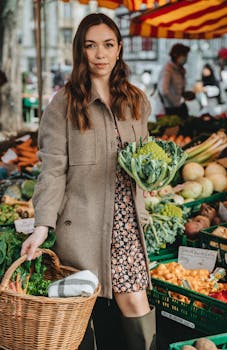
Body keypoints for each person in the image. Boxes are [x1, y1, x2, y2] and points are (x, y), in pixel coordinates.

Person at [20, 13, 156, 350]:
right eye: (91, 46)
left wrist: (154, 180)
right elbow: (52, 169)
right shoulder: (63, 105)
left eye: (108, 45)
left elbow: (146, 156)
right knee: (85, 319)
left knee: (135, 302)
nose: (100, 54)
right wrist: (42, 226)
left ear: (119, 49)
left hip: (126, 224)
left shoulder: (136, 101)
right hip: (83, 223)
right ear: (80, 51)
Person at [155, 43, 190, 119]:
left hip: (177, 108)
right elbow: (164, 91)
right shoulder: (168, 69)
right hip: (168, 110)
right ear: (176, 55)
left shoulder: (181, 70)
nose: (186, 58)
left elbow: (181, 88)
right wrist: (176, 103)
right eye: (184, 55)